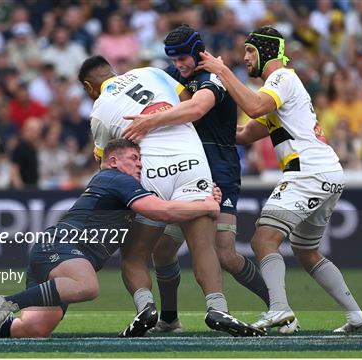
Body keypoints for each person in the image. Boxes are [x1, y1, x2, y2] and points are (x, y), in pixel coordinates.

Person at [0, 139, 222, 339]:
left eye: (141, 159)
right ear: (113, 161)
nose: (140, 164)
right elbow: (161, 210)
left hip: (56, 256)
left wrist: (201, 198)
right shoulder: (115, 178)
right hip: (62, 246)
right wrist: (207, 206)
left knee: (35, 329)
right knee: (88, 286)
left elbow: (162, 211)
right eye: (134, 158)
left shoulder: (124, 185)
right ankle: (6, 301)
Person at [197, 26, 362, 333]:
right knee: (307, 251)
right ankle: (357, 318)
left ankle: (280, 310)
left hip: (307, 173)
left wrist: (221, 70)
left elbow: (253, 106)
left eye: (250, 51)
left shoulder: (282, 77)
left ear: (267, 51)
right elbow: (242, 134)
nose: (245, 58)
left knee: (263, 240)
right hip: (326, 172)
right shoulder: (280, 93)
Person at [79, 55, 263, 337]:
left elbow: (110, 164)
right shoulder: (152, 73)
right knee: (203, 246)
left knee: (134, 255)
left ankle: (146, 307)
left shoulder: (100, 110)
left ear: (90, 87)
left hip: (151, 168)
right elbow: (189, 101)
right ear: (113, 71)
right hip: (193, 160)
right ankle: (217, 308)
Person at [122, 25, 270, 333]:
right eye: (173, 60)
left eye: (183, 59)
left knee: (226, 253)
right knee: (162, 251)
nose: (178, 65)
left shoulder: (212, 76)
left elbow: (198, 108)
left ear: (197, 51)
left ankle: (279, 307)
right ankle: (170, 319)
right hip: (186, 172)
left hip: (220, 171)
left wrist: (149, 122)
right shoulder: (174, 76)